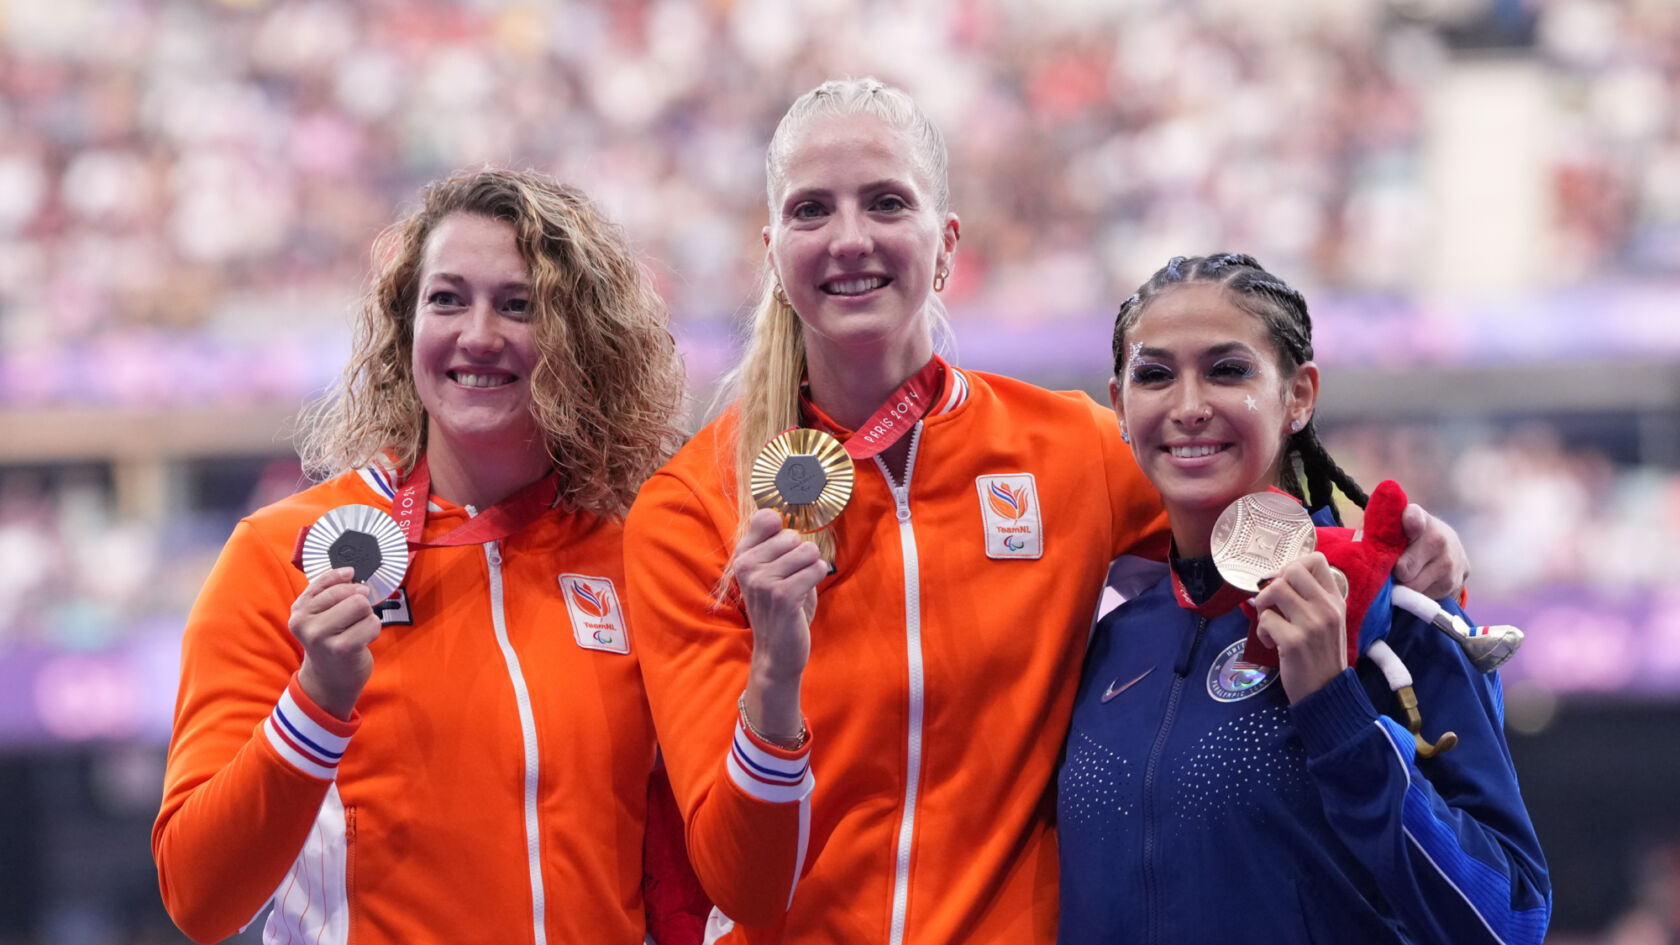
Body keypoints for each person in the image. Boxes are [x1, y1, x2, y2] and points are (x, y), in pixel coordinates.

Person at [622, 79, 1469, 944]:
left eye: (886, 203)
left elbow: (1250, 529)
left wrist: (1392, 547)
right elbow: (744, 883)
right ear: (772, 249)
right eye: (812, 210)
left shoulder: (1070, 448)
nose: (850, 239)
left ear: (946, 244)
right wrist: (775, 673)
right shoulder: (695, 508)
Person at [152, 167, 706, 944]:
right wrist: (316, 698)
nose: (478, 334)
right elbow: (197, 894)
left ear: (581, 339)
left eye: (519, 304)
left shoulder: (633, 556)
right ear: (406, 323)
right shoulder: (283, 554)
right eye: (447, 298)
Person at [1057, 253, 1551, 943]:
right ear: (1119, 404)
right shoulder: (1106, 640)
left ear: (1299, 395)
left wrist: (1337, 712)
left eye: (1228, 370)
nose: (1190, 405)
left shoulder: (1395, 615)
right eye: (1155, 374)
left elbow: (1512, 920)